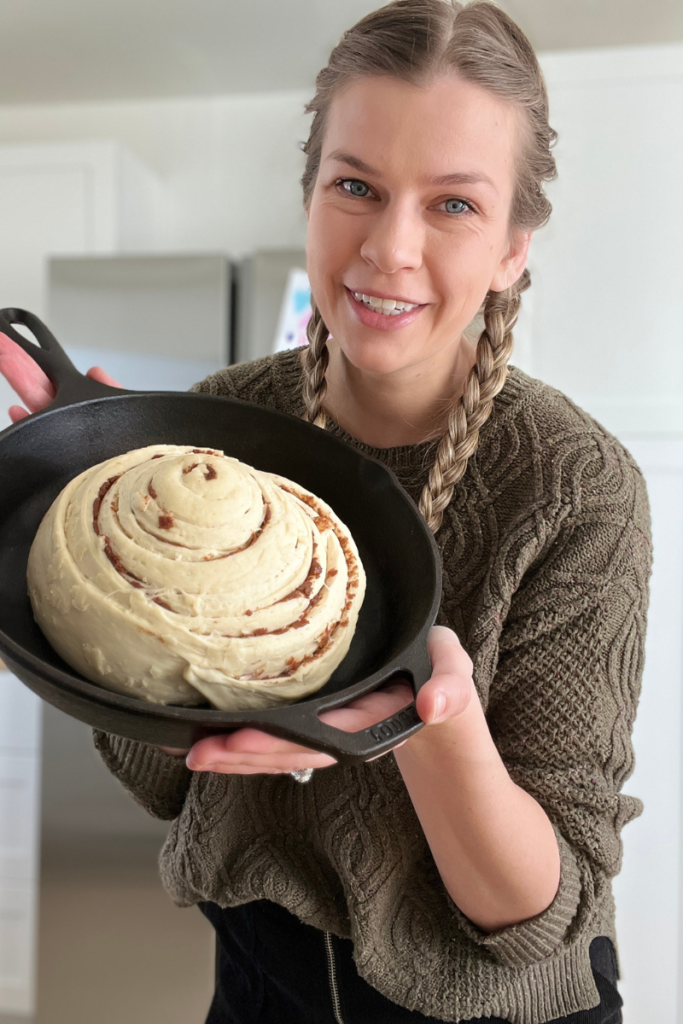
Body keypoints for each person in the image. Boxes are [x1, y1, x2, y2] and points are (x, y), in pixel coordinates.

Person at [0, 2, 651, 1022]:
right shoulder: (223, 422)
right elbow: (158, 774)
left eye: (452, 205)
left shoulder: (573, 487)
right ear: (307, 193)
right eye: (354, 185)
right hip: (261, 983)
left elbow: (534, 913)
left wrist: (425, 722)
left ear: (514, 245)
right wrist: (99, 536)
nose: (388, 248)